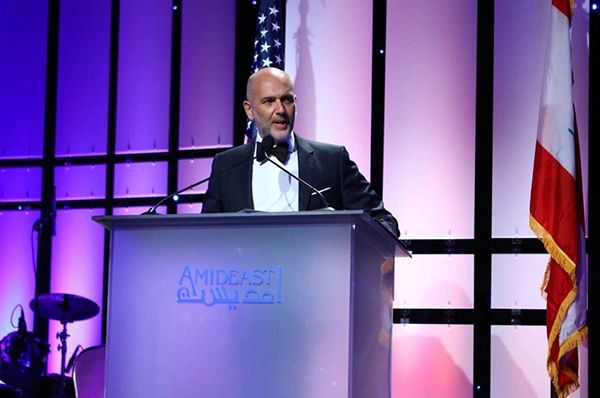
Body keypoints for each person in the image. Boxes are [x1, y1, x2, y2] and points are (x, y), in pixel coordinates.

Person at [201, 67, 400, 237]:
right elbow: (205, 236)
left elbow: (383, 221)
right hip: (249, 279)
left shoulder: (332, 160)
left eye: (287, 100)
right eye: (269, 101)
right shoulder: (226, 165)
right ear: (249, 109)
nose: (281, 109)